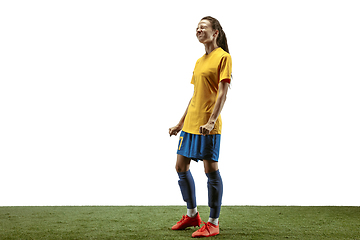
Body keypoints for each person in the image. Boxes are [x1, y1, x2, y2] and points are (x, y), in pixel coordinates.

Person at [169, 16, 232, 238]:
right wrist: (180, 123)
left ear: (215, 32)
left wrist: (212, 120)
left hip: (208, 125)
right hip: (191, 124)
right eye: (197, 27)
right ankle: (192, 215)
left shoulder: (223, 57)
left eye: (203, 27)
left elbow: (223, 93)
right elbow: (195, 95)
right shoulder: (198, 61)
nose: (198, 30)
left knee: (210, 170)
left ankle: (213, 222)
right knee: (180, 167)